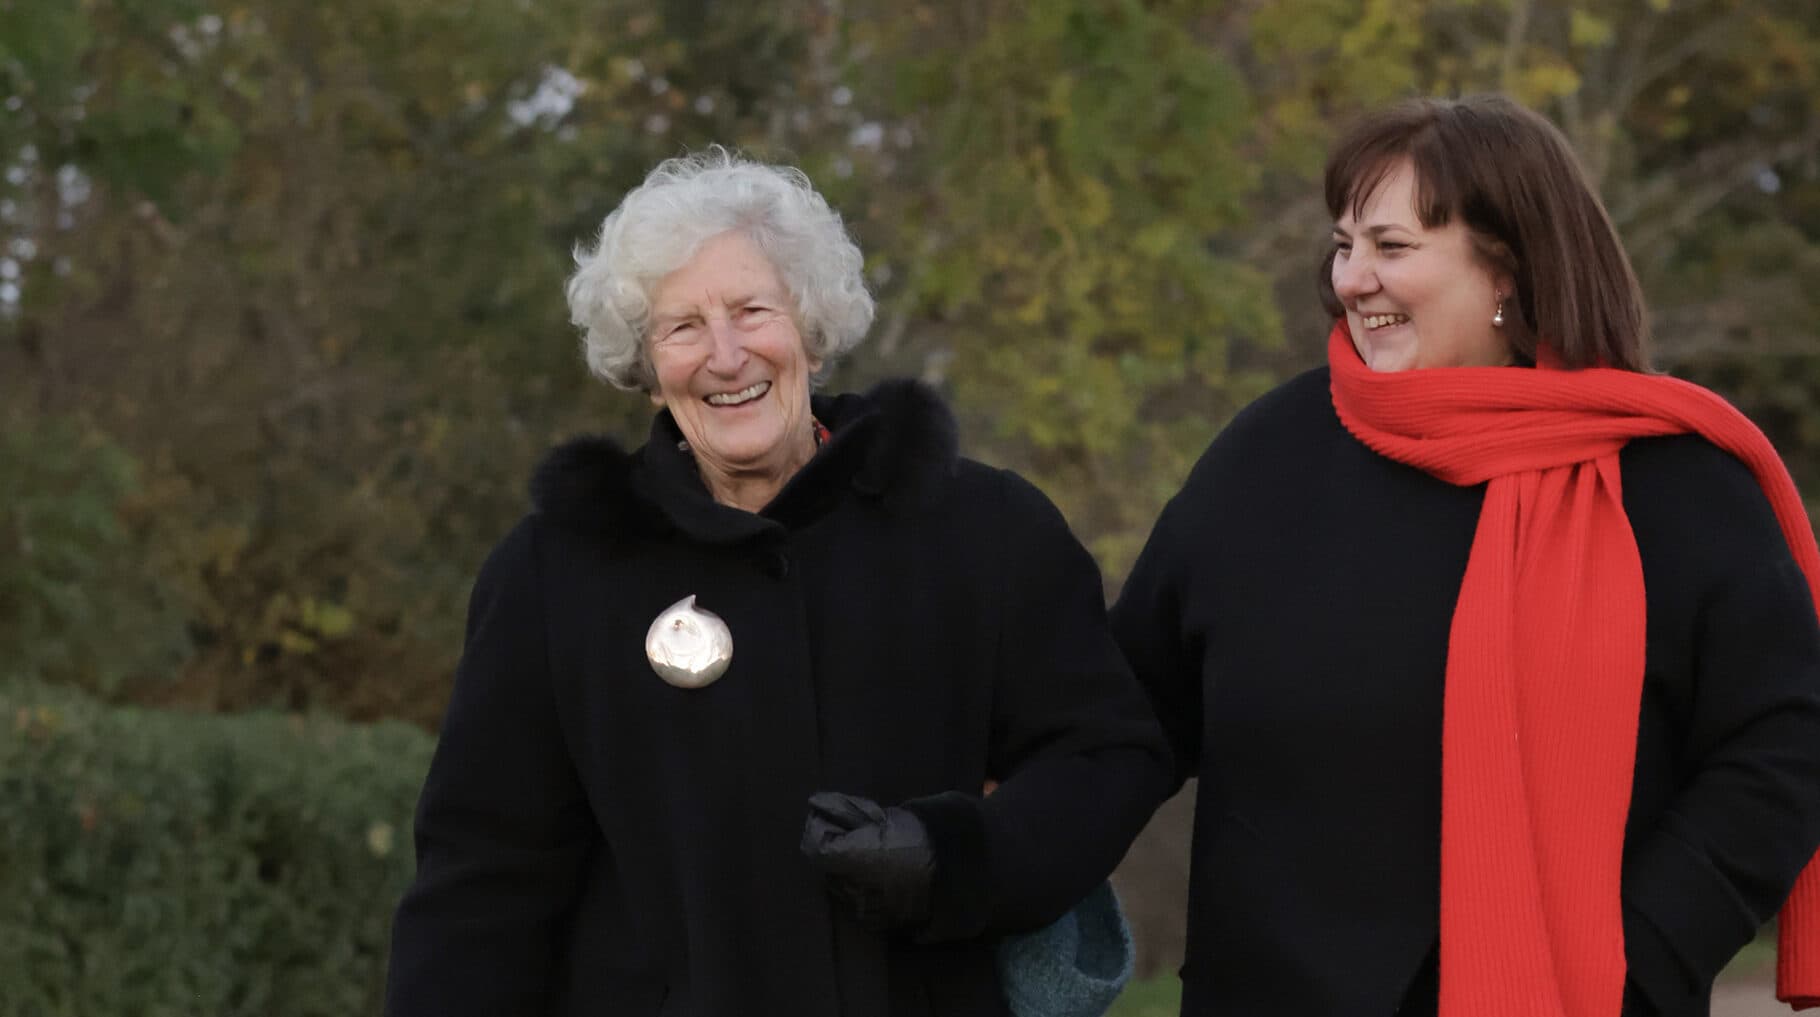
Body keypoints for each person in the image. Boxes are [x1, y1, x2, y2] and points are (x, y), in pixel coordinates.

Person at [384, 148, 1170, 1017]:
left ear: (808, 324)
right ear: (646, 368)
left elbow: (1106, 754)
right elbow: (483, 880)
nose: (725, 356)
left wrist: (961, 854)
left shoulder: (980, 529)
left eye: (752, 310)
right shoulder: (558, 571)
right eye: (682, 327)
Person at [1111, 93, 1820, 1017]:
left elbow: (1786, 738)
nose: (1351, 279)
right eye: (1344, 244)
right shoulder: (1269, 454)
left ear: (1508, 272)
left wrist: (1645, 952)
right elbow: (1122, 711)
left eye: (1391, 247)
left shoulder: (1670, 479)